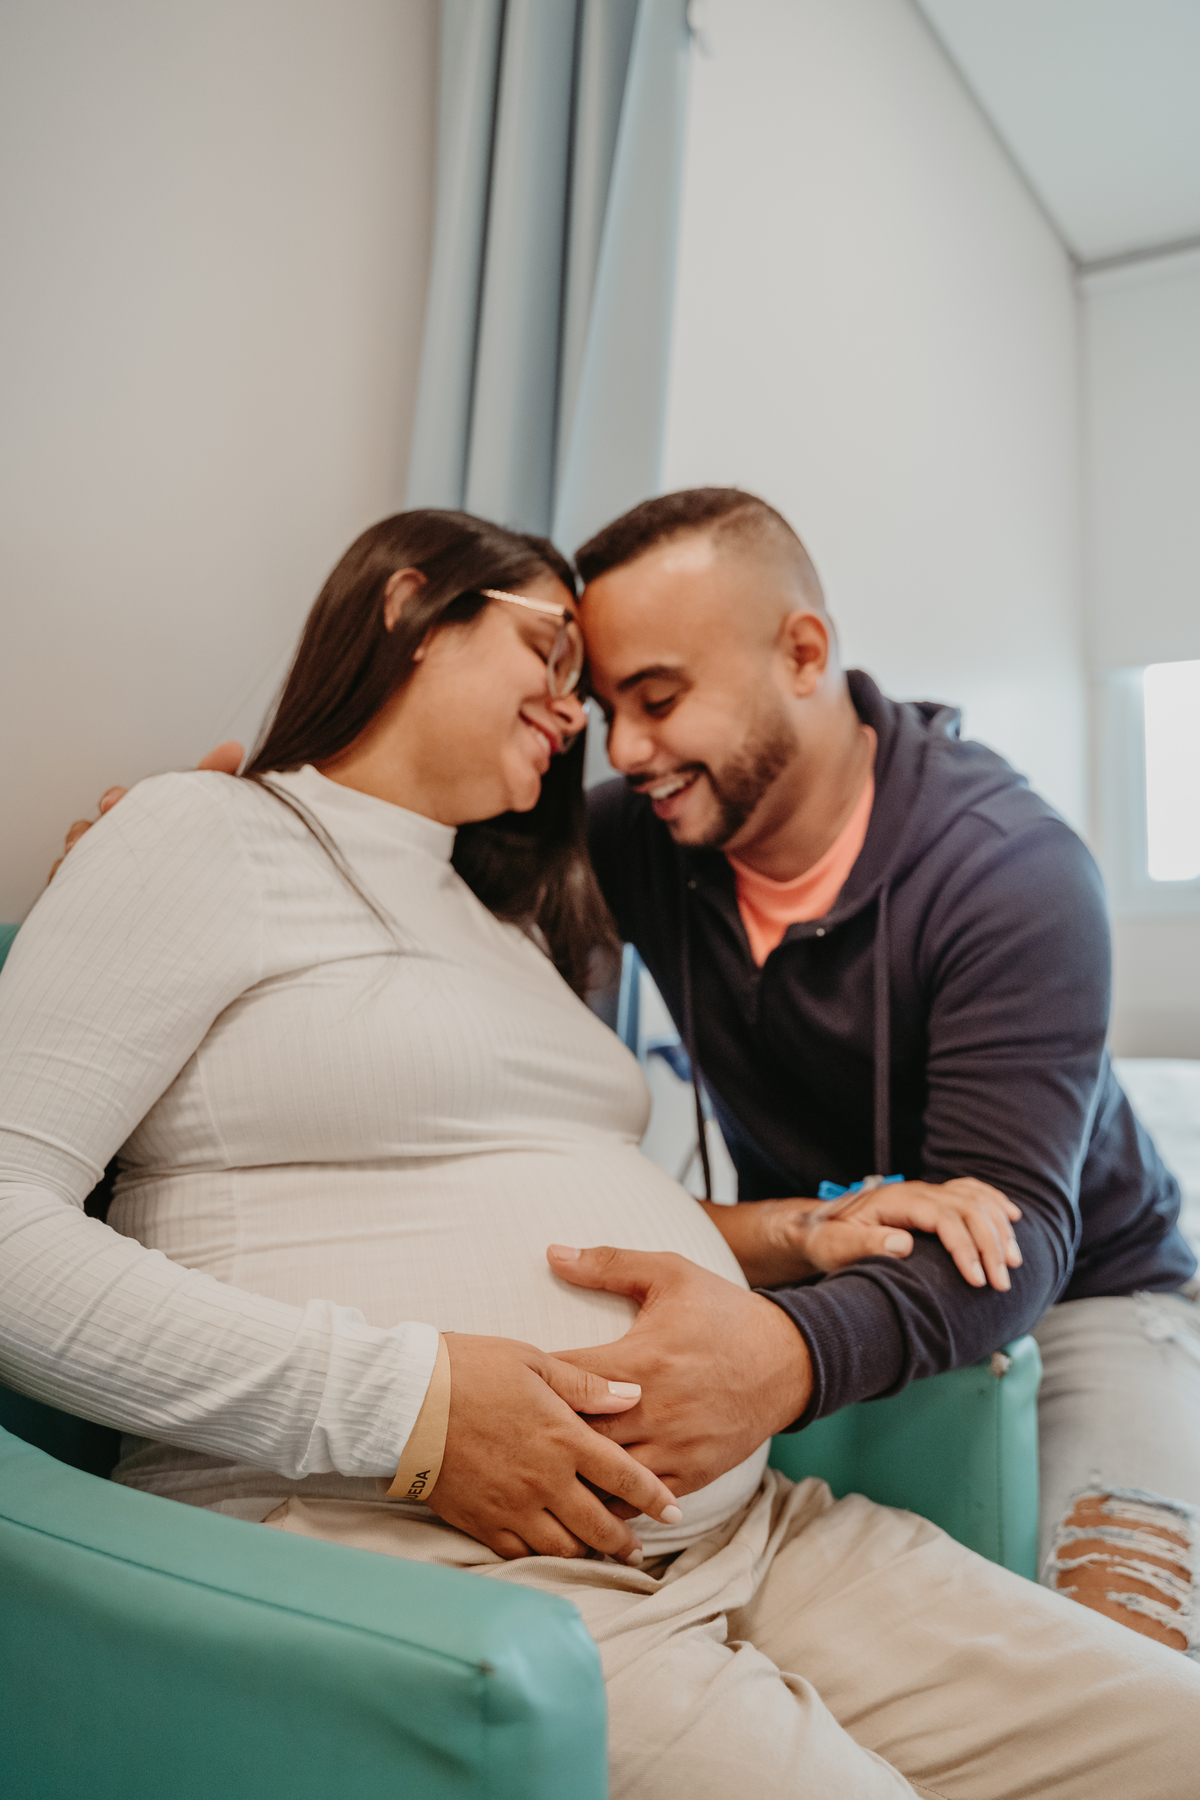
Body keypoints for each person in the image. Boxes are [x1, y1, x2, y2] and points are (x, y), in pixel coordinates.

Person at [7, 507, 1200, 1799]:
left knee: (1172, 1737)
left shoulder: (514, 912)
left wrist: (792, 1237)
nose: (598, 732)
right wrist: (416, 1410)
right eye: (558, 657)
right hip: (428, 1543)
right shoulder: (207, 833)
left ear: (805, 655)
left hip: (747, 1528)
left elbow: (549, 1197)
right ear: (410, 608)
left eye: (632, 692)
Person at [552, 486, 1200, 1656]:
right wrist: (247, 809)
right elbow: (432, 849)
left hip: (1093, 1289)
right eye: (607, 711)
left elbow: (1013, 1236)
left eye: (659, 699)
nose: (629, 750)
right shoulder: (641, 838)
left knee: (1127, 1636)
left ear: (804, 653)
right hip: (814, 1257)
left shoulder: (1010, 871)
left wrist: (784, 1359)